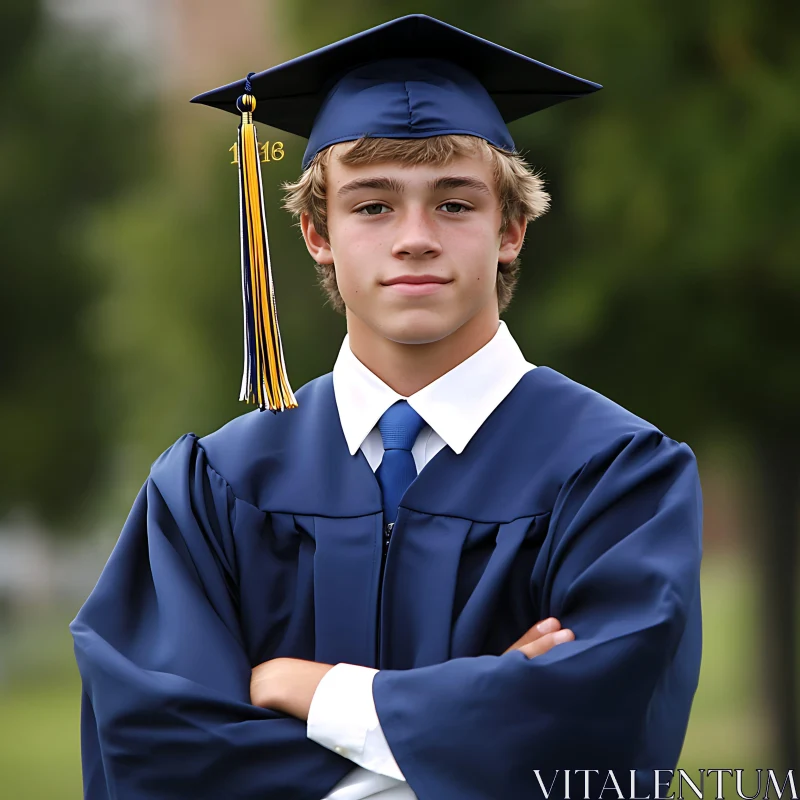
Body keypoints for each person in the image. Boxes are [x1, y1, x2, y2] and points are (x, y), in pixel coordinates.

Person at [70, 14, 703, 800]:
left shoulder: (615, 476)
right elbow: (158, 754)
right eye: (372, 206)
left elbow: (594, 739)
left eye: (454, 204)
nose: (414, 238)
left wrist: (322, 694)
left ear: (510, 228)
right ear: (314, 233)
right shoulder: (214, 487)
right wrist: (475, 720)